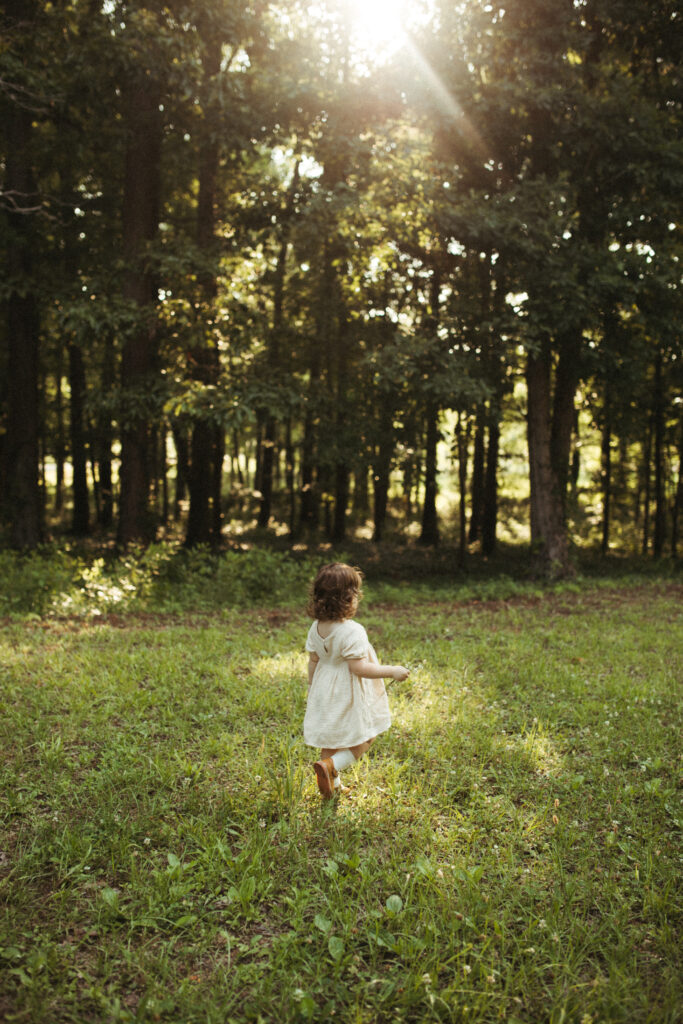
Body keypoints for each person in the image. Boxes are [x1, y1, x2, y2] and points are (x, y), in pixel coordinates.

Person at [304, 562, 409, 799]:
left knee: (330, 738)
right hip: (346, 690)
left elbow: (313, 660)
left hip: (323, 688)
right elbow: (358, 668)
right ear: (349, 598)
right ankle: (332, 767)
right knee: (366, 735)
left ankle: (333, 783)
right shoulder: (352, 631)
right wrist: (391, 671)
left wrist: (313, 687)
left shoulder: (316, 627)